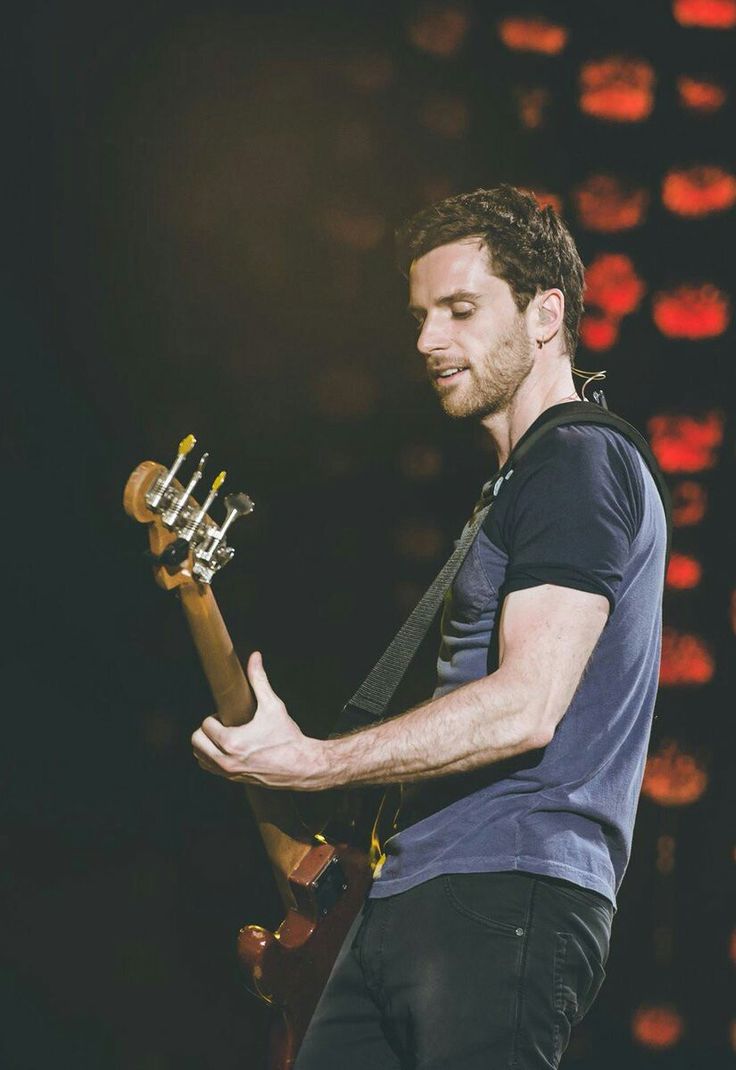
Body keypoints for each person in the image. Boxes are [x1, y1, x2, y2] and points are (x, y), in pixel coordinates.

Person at [192, 185, 668, 1068]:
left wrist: (315, 759)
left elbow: (527, 705)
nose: (426, 341)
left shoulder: (576, 459)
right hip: (419, 890)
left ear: (544, 315)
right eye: (419, 316)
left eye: (459, 309)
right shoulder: (522, 482)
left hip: (505, 889)